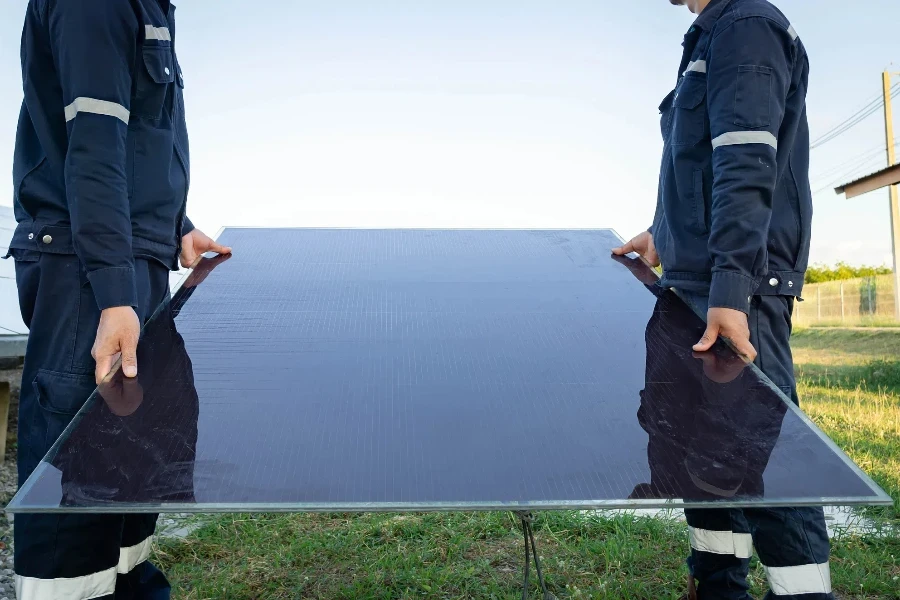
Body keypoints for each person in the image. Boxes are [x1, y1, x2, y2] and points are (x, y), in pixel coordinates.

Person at [7, 1, 230, 598]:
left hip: (128, 260)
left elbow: (138, 144)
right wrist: (113, 293)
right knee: (80, 479)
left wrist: (174, 227)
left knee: (132, 469)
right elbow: (94, 144)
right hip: (90, 274)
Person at [613, 0, 832, 599]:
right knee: (693, 450)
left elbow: (744, 159)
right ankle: (716, 586)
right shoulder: (708, 36)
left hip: (733, 294)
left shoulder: (745, 26)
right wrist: (662, 232)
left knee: (763, 456)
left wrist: (732, 288)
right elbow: (696, 166)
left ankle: (806, 595)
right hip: (696, 284)